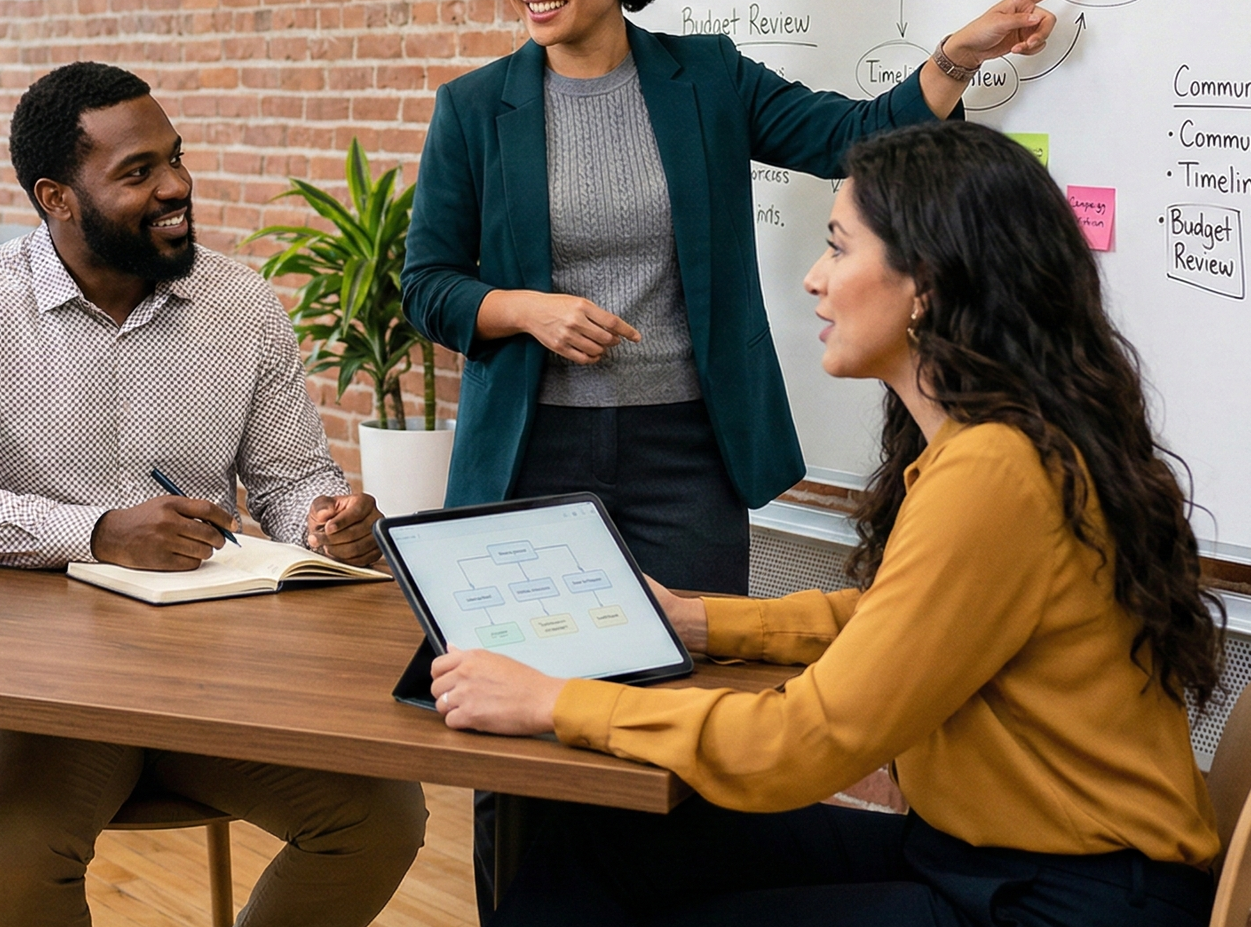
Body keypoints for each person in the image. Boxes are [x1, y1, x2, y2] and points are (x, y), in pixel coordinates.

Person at [432, 120, 1222, 927]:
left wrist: (555, 702)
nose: (814, 278)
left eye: (839, 248)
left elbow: (803, 743)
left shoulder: (995, 470)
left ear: (930, 283)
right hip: (987, 861)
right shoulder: (998, 445)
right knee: (593, 845)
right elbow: (899, 620)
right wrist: (698, 621)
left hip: (1062, 901)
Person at [402, 0, 1081, 595]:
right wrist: (524, 309)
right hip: (531, 448)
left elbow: (855, 136)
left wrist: (958, 55)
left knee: (697, 672)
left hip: (687, 452)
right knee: (526, 683)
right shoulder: (474, 108)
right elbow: (428, 284)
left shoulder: (709, 80)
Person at [0, 61, 427, 927]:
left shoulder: (242, 305)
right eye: (138, 173)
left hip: (216, 672)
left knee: (379, 818)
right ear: (57, 197)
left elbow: (292, 480)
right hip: (34, 683)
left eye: (174, 159)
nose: (176, 186)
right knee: (11, 858)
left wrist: (326, 524)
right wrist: (99, 532)